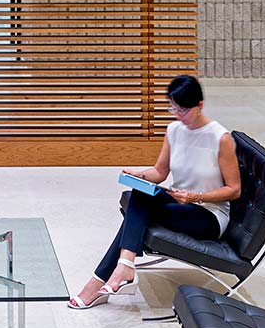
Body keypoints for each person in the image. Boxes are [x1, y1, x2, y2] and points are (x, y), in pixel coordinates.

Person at [68, 74, 240, 308]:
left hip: (207, 213)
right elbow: (160, 172)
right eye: (174, 109)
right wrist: (139, 175)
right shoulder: (174, 130)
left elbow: (234, 190)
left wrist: (195, 196)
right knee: (140, 192)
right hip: (178, 201)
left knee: (137, 215)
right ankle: (124, 267)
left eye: (184, 111)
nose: (179, 116)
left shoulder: (220, 138)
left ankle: (102, 281)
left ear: (200, 105)